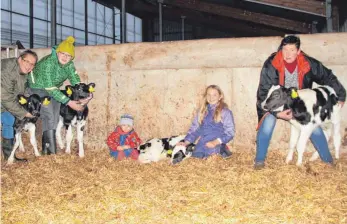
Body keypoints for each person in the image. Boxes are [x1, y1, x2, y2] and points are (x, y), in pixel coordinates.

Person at [255, 35, 346, 170]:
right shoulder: (272, 64)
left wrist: (341, 95)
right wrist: (277, 113)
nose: (288, 54)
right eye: (285, 50)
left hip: (298, 102)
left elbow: (327, 76)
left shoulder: (308, 63)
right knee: (267, 122)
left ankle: (328, 160)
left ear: (298, 51)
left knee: (313, 127)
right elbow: (263, 92)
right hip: (276, 101)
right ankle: (259, 160)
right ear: (281, 50)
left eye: (292, 50)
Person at [28, 36, 92, 155]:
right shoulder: (48, 63)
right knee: (49, 114)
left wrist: (85, 95)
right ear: (57, 52)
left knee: (56, 116)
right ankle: (48, 150)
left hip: (53, 89)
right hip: (38, 88)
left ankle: (51, 147)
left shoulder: (69, 65)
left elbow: (75, 80)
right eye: (63, 53)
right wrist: (69, 102)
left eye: (68, 55)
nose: (65, 57)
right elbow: (49, 87)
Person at [178, 85, 235, 159]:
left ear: (220, 96)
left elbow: (230, 132)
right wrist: (186, 142)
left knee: (212, 158)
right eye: (209, 95)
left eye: (214, 95)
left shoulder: (225, 112)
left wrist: (215, 142)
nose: (211, 98)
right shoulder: (202, 111)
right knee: (195, 158)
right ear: (206, 96)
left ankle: (223, 150)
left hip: (216, 143)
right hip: (202, 144)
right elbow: (195, 129)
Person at [1, 50, 38, 162]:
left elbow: (24, 91)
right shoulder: (7, 70)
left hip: (4, 101)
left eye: (32, 64)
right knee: (9, 118)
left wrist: (30, 102)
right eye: (27, 62)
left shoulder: (23, 72)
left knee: (10, 119)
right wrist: (24, 113)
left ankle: (8, 156)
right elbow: (4, 96)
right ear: (20, 59)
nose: (29, 66)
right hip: (3, 99)